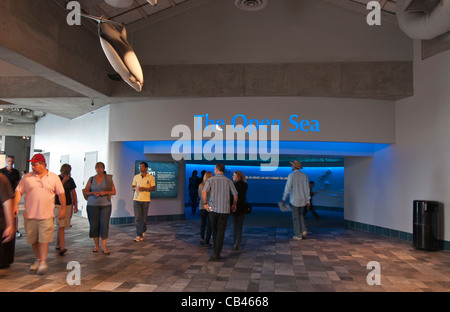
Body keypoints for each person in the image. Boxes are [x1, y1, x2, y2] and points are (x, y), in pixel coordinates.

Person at [13, 153, 66, 274]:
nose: (32, 167)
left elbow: (61, 194)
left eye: (34, 164)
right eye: (32, 164)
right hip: (30, 215)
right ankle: (38, 259)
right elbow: (19, 192)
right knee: (33, 240)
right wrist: (15, 205)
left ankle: (42, 262)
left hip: (46, 215)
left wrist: (63, 209)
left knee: (44, 239)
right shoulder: (27, 177)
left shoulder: (53, 178)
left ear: (43, 164)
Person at [202, 163, 238, 260]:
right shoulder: (229, 181)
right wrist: (234, 205)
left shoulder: (210, 180)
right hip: (224, 210)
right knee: (221, 232)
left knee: (214, 231)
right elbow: (235, 195)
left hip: (213, 210)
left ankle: (215, 251)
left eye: (214, 169)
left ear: (217, 170)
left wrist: (205, 203)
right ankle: (217, 252)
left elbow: (204, 191)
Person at [83, 162, 116, 255]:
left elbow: (114, 191)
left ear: (104, 168)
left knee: (104, 224)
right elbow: (86, 191)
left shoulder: (108, 178)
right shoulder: (92, 179)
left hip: (105, 204)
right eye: (97, 167)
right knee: (94, 225)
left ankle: (104, 246)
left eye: (101, 167)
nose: (99, 169)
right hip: (92, 204)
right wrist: (93, 193)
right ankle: (96, 246)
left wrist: (105, 192)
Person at [282, 160, 310, 241]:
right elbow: (307, 189)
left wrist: (284, 198)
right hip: (303, 200)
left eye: (292, 165)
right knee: (301, 215)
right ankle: (303, 230)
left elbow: (288, 188)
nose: (291, 166)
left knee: (295, 218)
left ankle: (298, 235)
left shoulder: (291, 175)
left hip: (294, 200)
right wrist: (308, 201)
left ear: (295, 167)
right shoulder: (305, 176)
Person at [55, 164, 77, 255]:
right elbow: (55, 190)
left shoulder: (71, 180)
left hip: (68, 204)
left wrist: (75, 204)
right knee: (61, 225)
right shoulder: (57, 178)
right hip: (58, 204)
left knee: (63, 225)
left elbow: (73, 192)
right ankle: (63, 247)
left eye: (66, 173)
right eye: (64, 172)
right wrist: (63, 181)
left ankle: (57, 244)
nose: (65, 174)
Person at [131, 161, 155, 242]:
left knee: (144, 219)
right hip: (136, 199)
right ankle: (139, 235)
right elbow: (133, 186)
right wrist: (136, 188)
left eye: (142, 166)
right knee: (137, 218)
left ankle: (143, 230)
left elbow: (153, 188)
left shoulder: (150, 177)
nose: (140, 168)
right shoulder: (136, 177)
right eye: (139, 167)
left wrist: (144, 188)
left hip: (146, 200)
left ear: (146, 168)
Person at [0, 156, 22, 237]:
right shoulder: (2, 171)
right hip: (3, 196)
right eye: (9, 161)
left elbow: (17, 184)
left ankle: (14, 229)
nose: (10, 162)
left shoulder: (15, 172)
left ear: (14, 162)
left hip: (11, 195)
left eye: (12, 161)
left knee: (13, 213)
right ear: (6, 161)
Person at [0, 173, 15, 268]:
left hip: (1, 226)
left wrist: (10, 225)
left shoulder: (1, 179)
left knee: (3, 262)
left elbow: (7, 202)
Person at [231, 171, 248, 251]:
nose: (232, 176)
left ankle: (235, 242)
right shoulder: (245, 185)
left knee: (235, 225)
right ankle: (238, 242)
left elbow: (233, 196)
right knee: (240, 226)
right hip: (243, 207)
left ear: (237, 176)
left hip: (235, 206)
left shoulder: (234, 185)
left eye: (234, 175)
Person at [198, 171, 213, 246]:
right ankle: (207, 241)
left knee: (203, 223)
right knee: (210, 224)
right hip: (210, 207)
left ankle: (202, 238)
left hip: (202, 206)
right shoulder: (212, 186)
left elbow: (199, 195)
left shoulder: (200, 185)